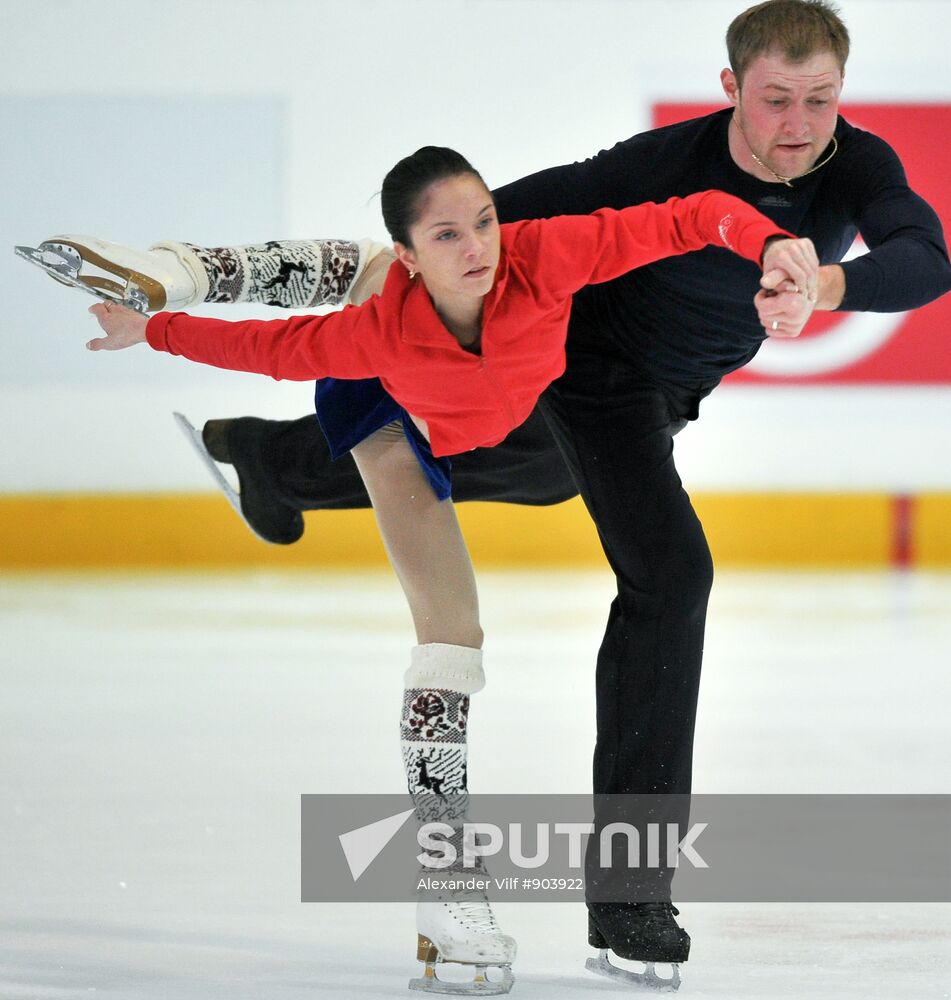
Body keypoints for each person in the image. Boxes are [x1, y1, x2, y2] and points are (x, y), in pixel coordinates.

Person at [22, 0, 951, 986]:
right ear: (730, 90)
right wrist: (416, 260)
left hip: (653, 398)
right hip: (585, 368)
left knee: (533, 475)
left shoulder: (856, 164)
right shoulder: (658, 167)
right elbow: (518, 215)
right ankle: (631, 896)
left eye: (820, 98)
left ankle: (277, 461)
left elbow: (926, 257)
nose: (799, 123)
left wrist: (827, 286)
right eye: (775, 99)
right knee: (672, 574)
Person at [79, 143, 806, 994]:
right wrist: (153, 327)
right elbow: (270, 351)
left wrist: (767, 244)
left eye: (486, 221)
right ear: (420, 251)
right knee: (452, 641)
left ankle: (260, 404)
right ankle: (450, 888)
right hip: (387, 412)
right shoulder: (376, 329)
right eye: (448, 235)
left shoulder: (540, 256)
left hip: (483, 405)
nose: (478, 248)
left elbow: (680, 218)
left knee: (548, 477)